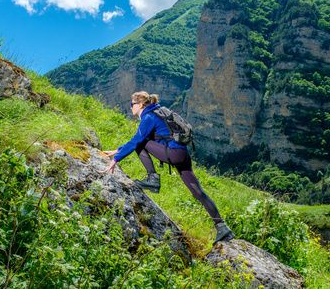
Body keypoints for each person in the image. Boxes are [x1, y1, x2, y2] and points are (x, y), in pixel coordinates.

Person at [100, 91, 235, 245]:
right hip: (183, 154)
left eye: (132, 104)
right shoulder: (157, 112)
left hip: (173, 154)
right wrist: (118, 150)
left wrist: (115, 160)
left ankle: (153, 178)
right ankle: (223, 227)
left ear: (141, 105)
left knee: (140, 144)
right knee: (199, 193)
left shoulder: (148, 117)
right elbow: (140, 138)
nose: (130, 108)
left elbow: (137, 141)